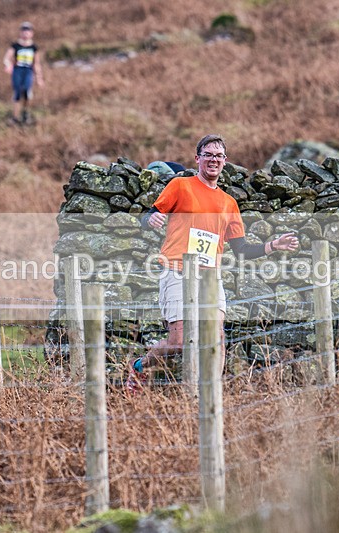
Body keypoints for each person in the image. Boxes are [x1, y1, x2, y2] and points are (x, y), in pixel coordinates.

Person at [127, 134, 299, 391]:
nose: (213, 160)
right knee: (179, 342)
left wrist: (273, 245)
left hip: (210, 277)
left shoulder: (229, 203)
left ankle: (211, 395)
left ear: (225, 161)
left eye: (218, 156)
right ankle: (139, 367)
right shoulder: (180, 186)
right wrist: (150, 220)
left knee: (217, 338)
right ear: (197, 159)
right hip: (177, 270)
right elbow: (150, 215)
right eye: (208, 155)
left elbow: (240, 249)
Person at [3, 21, 44, 126]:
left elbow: (37, 63)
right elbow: (7, 58)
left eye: (28, 31)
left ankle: (25, 114)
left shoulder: (34, 47)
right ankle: (15, 117)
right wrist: (8, 65)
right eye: (24, 31)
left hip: (28, 71)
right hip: (17, 71)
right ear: (20, 33)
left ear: (32, 33)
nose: (26, 33)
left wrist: (39, 78)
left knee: (26, 91)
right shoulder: (15, 45)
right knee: (17, 92)